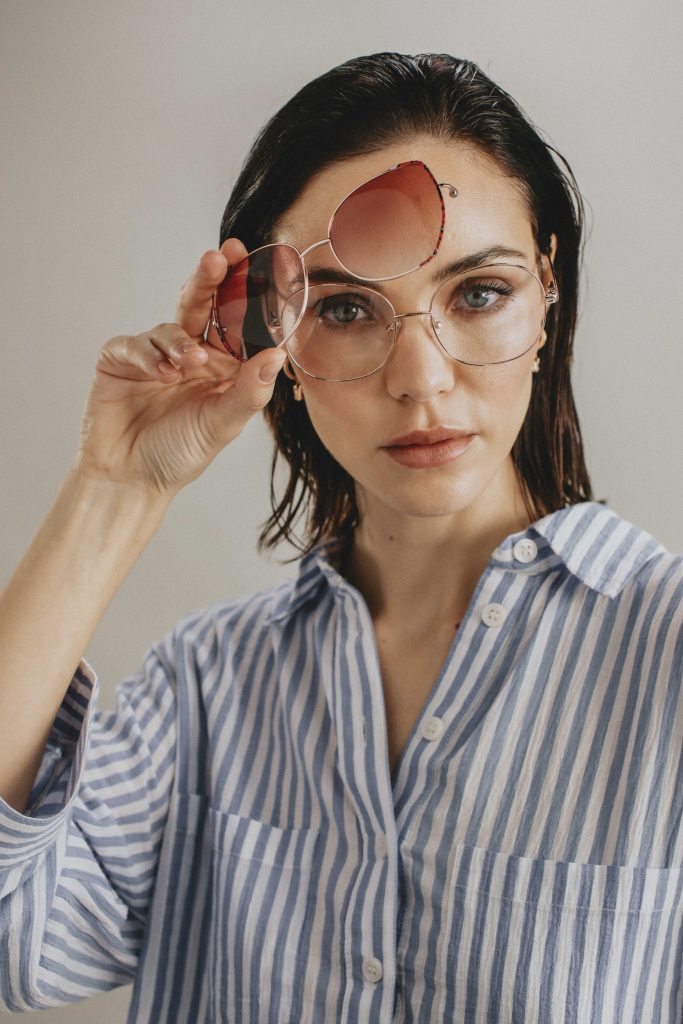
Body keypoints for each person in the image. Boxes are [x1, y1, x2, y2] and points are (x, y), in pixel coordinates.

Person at [0, 51, 681, 1024]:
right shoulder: (206, 686)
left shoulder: (664, 662)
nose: (419, 376)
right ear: (266, 337)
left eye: (478, 292)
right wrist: (115, 485)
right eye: (346, 308)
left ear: (546, 289)